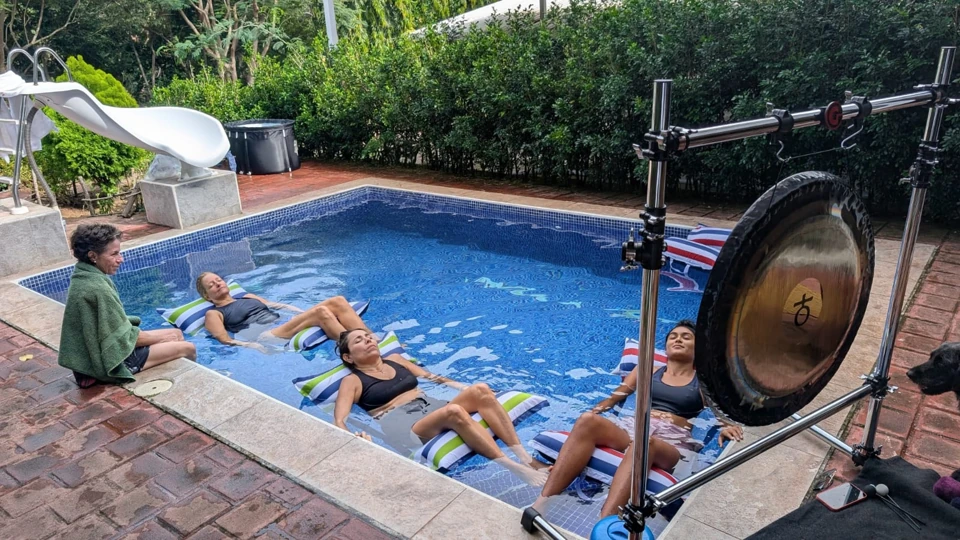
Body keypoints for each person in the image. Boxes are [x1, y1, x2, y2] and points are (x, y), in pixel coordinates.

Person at [531, 320, 743, 518]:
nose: (678, 339)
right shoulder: (647, 369)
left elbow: (718, 413)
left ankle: (604, 524)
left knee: (645, 442)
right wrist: (595, 411)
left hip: (670, 444)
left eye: (686, 337)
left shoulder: (703, 381)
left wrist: (726, 426)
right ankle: (541, 504)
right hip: (633, 429)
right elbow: (616, 396)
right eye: (673, 336)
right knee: (587, 421)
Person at [333, 328, 550, 486]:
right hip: (405, 425)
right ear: (348, 356)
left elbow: (433, 377)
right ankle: (515, 468)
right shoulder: (352, 381)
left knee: (481, 389)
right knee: (454, 412)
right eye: (359, 340)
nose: (368, 340)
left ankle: (525, 457)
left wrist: (466, 389)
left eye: (368, 336)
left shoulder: (396, 359)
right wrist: (355, 439)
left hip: (432, 408)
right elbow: (340, 420)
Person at [59, 224, 196, 387]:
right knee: (188, 348)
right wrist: (161, 338)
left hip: (94, 354)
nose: (121, 259)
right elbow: (122, 340)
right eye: (114, 254)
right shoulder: (97, 288)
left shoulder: (84, 276)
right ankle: (188, 386)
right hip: (109, 362)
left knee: (177, 333)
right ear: (93, 256)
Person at [196, 271, 371, 352]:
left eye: (219, 279)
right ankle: (355, 349)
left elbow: (276, 306)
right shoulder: (213, 314)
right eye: (212, 284)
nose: (218, 283)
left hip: (281, 323)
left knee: (338, 301)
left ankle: (373, 339)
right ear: (207, 296)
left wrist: (301, 312)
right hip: (266, 334)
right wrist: (251, 346)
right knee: (321, 312)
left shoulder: (247, 296)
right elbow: (224, 340)